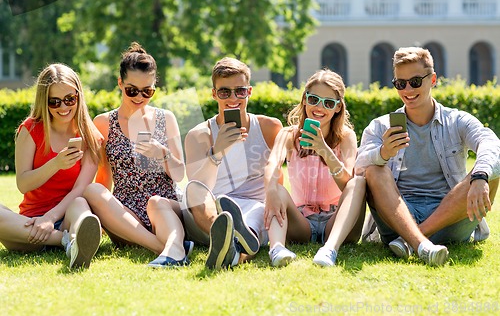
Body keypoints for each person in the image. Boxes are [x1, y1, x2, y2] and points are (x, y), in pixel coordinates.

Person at [356, 47, 499, 266]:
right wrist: (383, 153)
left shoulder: (457, 120)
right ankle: (420, 243)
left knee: (491, 171)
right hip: (399, 217)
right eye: (400, 83)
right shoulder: (381, 126)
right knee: (374, 169)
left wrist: (480, 176)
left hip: (448, 219)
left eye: (415, 81)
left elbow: (490, 142)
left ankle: (412, 241)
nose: (407, 90)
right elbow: (357, 169)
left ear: (432, 80)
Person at [83, 42, 191, 267]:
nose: (139, 97)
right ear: (120, 83)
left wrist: (162, 154)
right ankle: (169, 247)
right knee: (92, 190)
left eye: (147, 91)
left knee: (155, 202)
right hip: (126, 216)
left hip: (163, 207)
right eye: (132, 90)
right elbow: (103, 178)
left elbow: (180, 174)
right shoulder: (103, 122)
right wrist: (104, 215)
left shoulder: (165, 118)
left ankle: (172, 246)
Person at [183, 57, 282, 270]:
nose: (233, 98)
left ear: (249, 91)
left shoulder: (270, 127)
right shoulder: (199, 135)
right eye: (224, 92)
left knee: (255, 216)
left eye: (240, 91)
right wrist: (217, 152)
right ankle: (225, 236)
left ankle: (231, 250)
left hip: (253, 205)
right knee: (192, 191)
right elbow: (198, 188)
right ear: (214, 94)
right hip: (211, 209)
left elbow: (277, 179)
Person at [0, 63, 102, 269]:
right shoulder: (30, 130)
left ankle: (77, 240)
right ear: (44, 102)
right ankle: (66, 241)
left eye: (69, 99)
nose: (63, 107)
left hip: (66, 216)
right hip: (29, 225)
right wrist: (55, 164)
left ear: (78, 96)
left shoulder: (91, 136)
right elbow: (23, 184)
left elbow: (81, 188)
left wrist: (51, 217)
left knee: (81, 205)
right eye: (54, 102)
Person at [264, 69, 366, 267]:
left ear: (338, 108)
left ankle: (329, 250)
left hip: (336, 221)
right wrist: (270, 190)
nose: (319, 107)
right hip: (301, 222)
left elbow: (348, 184)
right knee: (275, 186)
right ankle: (276, 249)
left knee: (359, 182)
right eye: (314, 99)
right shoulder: (288, 135)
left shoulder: (346, 137)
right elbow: (271, 164)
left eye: (328, 103)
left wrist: (324, 150)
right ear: (304, 100)